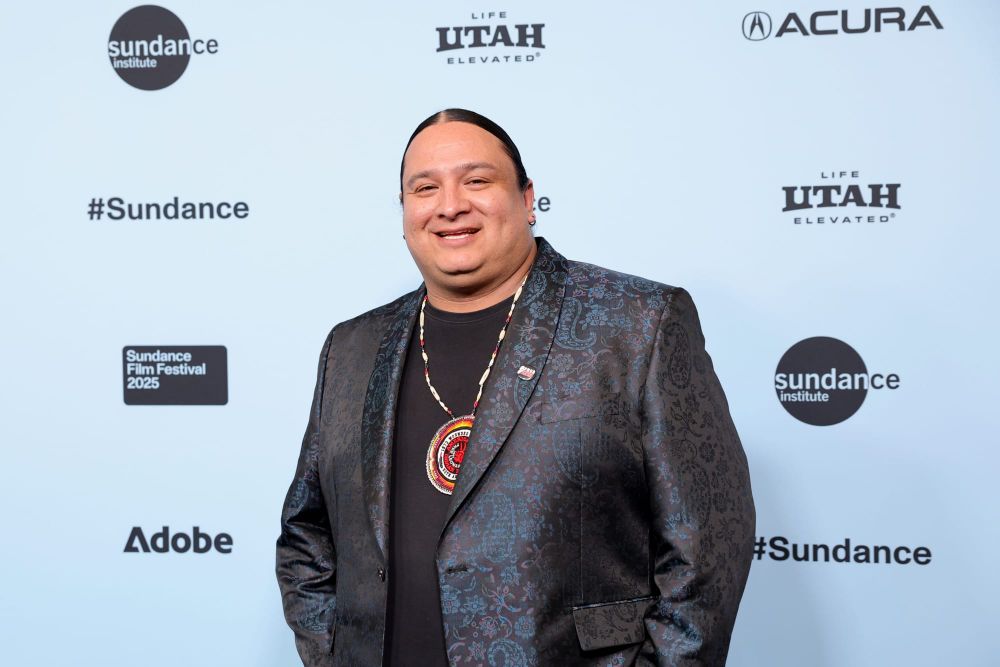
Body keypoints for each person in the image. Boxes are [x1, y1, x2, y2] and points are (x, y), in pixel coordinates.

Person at [276, 108, 755, 666]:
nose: (450, 205)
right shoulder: (353, 347)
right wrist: (333, 654)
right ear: (404, 212)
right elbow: (306, 534)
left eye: (477, 181)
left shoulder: (637, 324)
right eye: (425, 188)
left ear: (527, 199)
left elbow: (705, 552)